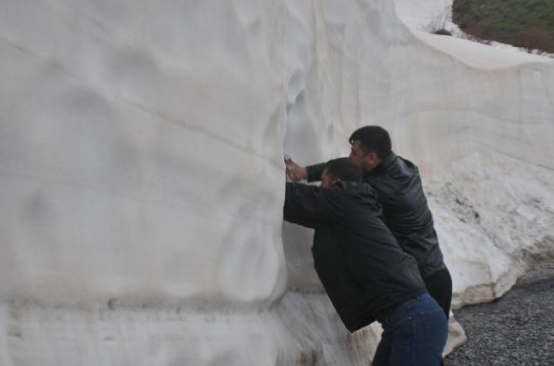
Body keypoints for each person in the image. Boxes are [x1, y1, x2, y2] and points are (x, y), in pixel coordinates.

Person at [284, 157, 448, 365]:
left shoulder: (343, 198)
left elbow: (294, 198)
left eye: (323, 182)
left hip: (413, 320)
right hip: (410, 319)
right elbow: (310, 211)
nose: (321, 189)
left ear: (337, 183)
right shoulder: (356, 205)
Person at [285, 126, 452, 320]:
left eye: (354, 153)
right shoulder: (402, 166)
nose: (350, 156)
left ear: (372, 158)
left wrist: (280, 190)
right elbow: (348, 168)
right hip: (429, 275)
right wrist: (306, 172)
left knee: (419, 338)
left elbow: (339, 197)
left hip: (424, 282)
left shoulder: (384, 189)